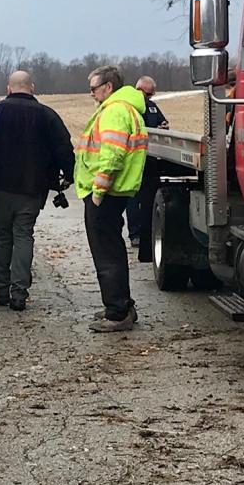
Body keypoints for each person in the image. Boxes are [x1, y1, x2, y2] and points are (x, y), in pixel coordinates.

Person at [0, 70, 74, 311]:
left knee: (2, 237)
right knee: (24, 235)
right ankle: (19, 293)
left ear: (9, 88)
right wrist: (68, 176)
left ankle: (0, 290)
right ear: (31, 87)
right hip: (32, 188)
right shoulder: (47, 115)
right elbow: (64, 148)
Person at [74, 64, 147, 332]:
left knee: (106, 254)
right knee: (113, 250)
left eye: (94, 88)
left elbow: (113, 156)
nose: (91, 93)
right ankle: (122, 305)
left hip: (105, 194)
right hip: (114, 192)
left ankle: (117, 313)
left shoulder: (115, 111)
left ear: (108, 87)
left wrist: (97, 192)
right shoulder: (124, 108)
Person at [126, 75, 169, 248]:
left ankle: (147, 234)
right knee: (133, 200)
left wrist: (163, 126)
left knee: (149, 198)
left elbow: (162, 121)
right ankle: (135, 234)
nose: (150, 97)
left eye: (152, 94)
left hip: (150, 159)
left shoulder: (151, 106)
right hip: (134, 160)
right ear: (139, 90)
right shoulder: (130, 108)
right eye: (148, 94)